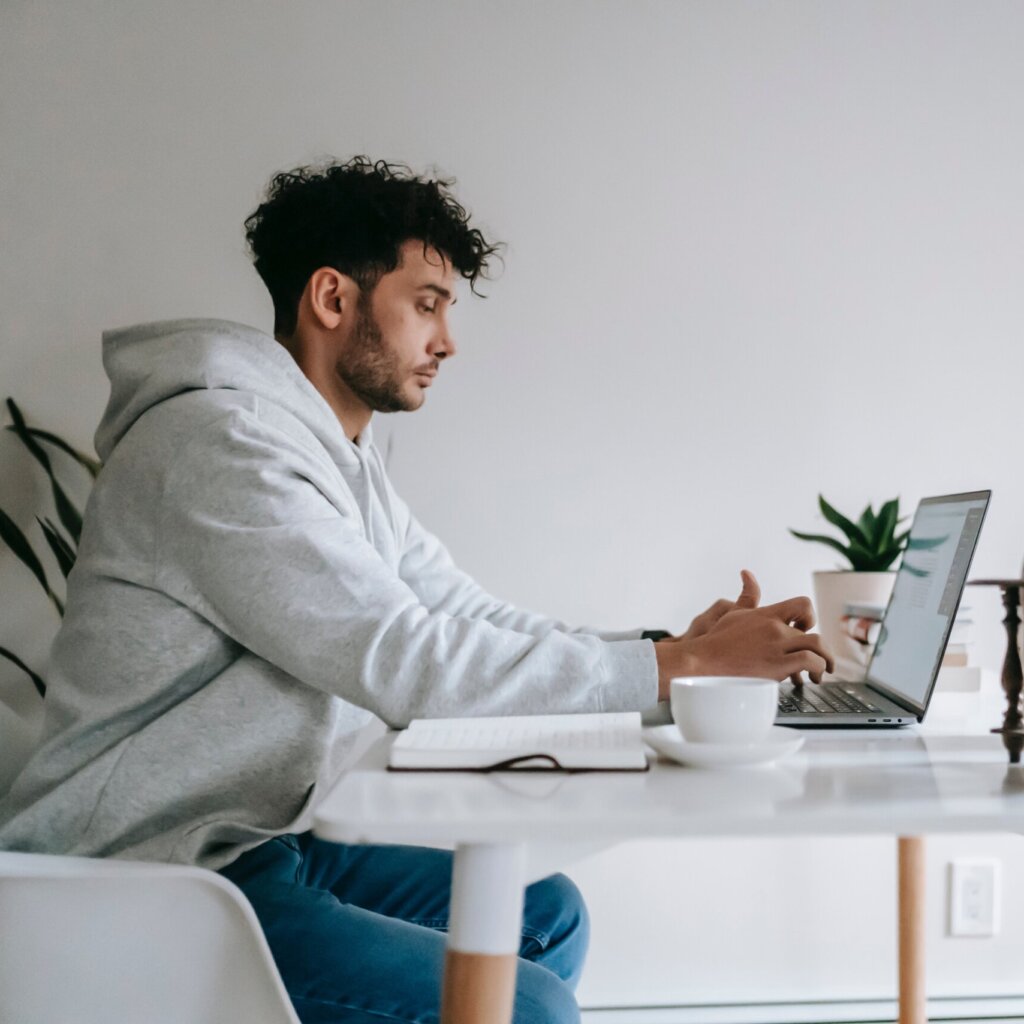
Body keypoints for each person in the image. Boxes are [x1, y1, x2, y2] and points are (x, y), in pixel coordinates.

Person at [0, 157, 832, 1023]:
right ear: (333, 300)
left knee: (546, 919)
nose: (447, 341)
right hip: (148, 872)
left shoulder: (335, 457)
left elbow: (462, 615)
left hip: (254, 840)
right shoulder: (226, 446)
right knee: (532, 1009)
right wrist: (674, 667)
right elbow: (407, 660)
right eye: (425, 304)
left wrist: (668, 656)